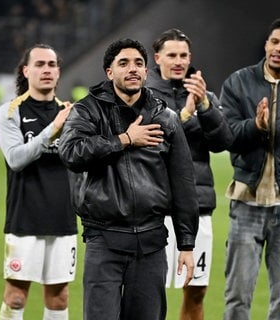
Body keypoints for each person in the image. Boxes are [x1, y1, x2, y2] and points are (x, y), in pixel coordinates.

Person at [58, 38, 199, 320]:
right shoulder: (88, 110)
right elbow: (71, 154)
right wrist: (124, 140)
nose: (132, 69)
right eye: (123, 63)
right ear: (109, 72)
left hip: (151, 242)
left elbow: (183, 180)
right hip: (104, 240)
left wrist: (186, 244)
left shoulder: (165, 117)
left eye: (138, 63)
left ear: (147, 71)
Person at [145, 28, 234, 320]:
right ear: (157, 58)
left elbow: (223, 142)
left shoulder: (204, 95)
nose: (178, 61)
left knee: (196, 291)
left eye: (184, 55)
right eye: (171, 55)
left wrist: (206, 108)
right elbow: (157, 145)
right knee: (147, 291)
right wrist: (185, 116)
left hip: (197, 207)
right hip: (154, 209)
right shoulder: (144, 97)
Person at [0, 43, 77, 320]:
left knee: (59, 298)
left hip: (63, 218)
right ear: (26, 70)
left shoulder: (71, 114)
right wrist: (52, 131)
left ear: (58, 72)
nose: (47, 70)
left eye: (52, 64)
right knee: (16, 296)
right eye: (40, 64)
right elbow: (16, 159)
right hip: (24, 219)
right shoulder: (11, 111)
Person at [220, 18, 280, 320]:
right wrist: (255, 127)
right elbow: (227, 134)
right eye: (275, 42)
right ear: (267, 44)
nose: (278, 49)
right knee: (237, 297)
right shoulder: (238, 82)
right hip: (247, 201)